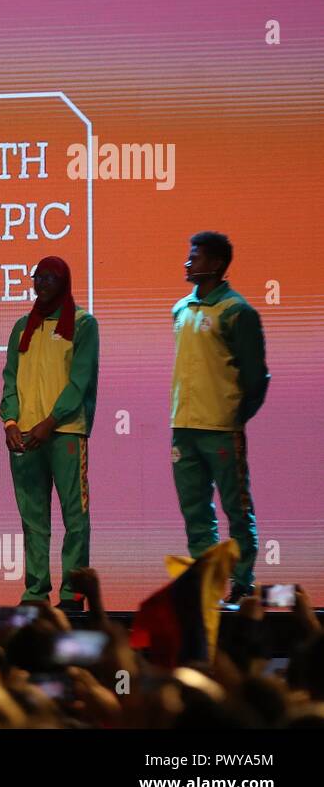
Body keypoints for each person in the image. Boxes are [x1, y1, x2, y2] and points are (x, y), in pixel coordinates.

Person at [170, 231, 269, 603]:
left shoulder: (236, 311)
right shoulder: (180, 309)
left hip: (221, 429)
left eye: (194, 257)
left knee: (236, 507)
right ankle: (208, 586)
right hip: (183, 427)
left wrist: (234, 415)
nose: (187, 262)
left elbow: (257, 376)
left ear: (214, 264)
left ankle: (243, 582)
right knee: (195, 511)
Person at [0, 256, 99, 609]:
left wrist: (50, 422)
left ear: (65, 283)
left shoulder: (83, 325)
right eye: (37, 277)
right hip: (24, 435)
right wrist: (10, 421)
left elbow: (79, 383)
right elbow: (9, 378)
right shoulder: (22, 327)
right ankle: (35, 592)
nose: (41, 284)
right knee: (33, 520)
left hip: (66, 432)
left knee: (75, 518)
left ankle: (72, 594)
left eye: (50, 278)